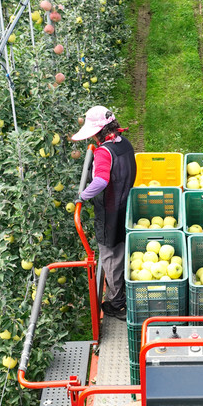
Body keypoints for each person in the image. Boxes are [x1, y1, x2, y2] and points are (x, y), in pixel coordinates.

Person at [72, 106, 137, 320]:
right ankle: (126, 292)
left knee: (110, 257)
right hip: (126, 205)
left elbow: (100, 181)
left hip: (109, 212)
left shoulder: (104, 152)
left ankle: (117, 302)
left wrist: (83, 196)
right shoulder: (124, 144)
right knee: (123, 250)